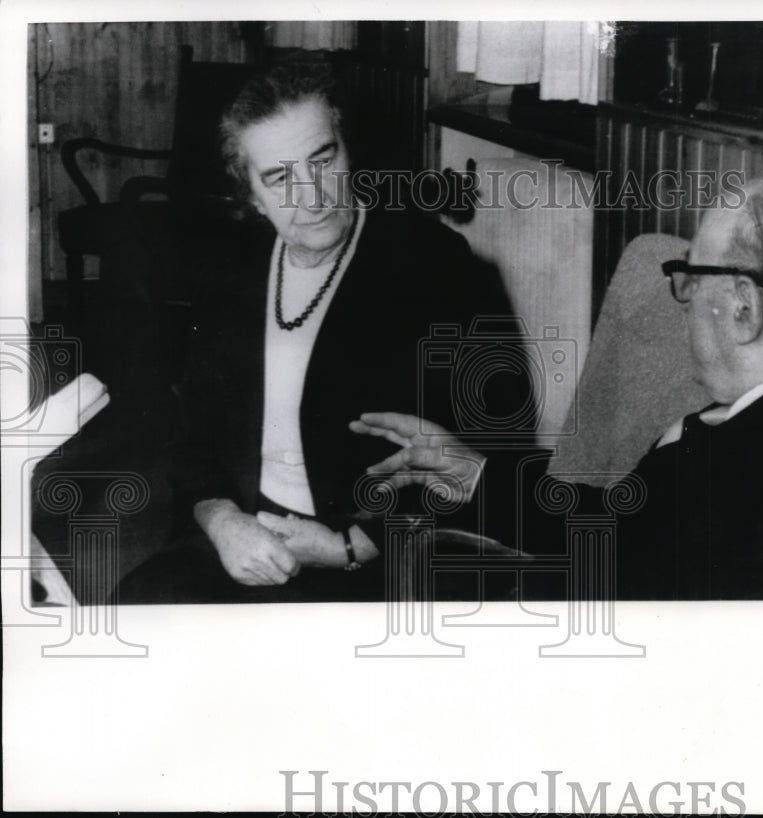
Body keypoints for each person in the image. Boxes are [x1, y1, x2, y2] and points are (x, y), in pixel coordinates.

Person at [351, 175, 763, 600]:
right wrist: (475, 475)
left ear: (744, 309)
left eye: (692, 278)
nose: (686, 299)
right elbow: (630, 528)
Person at [119, 59, 532, 602]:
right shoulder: (227, 269)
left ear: (347, 147)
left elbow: (481, 447)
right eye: (278, 177)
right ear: (250, 193)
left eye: (322, 158)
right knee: (141, 607)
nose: (311, 197)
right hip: (249, 539)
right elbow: (193, 433)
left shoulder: (431, 264)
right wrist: (222, 520)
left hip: (381, 553)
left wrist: (353, 545)